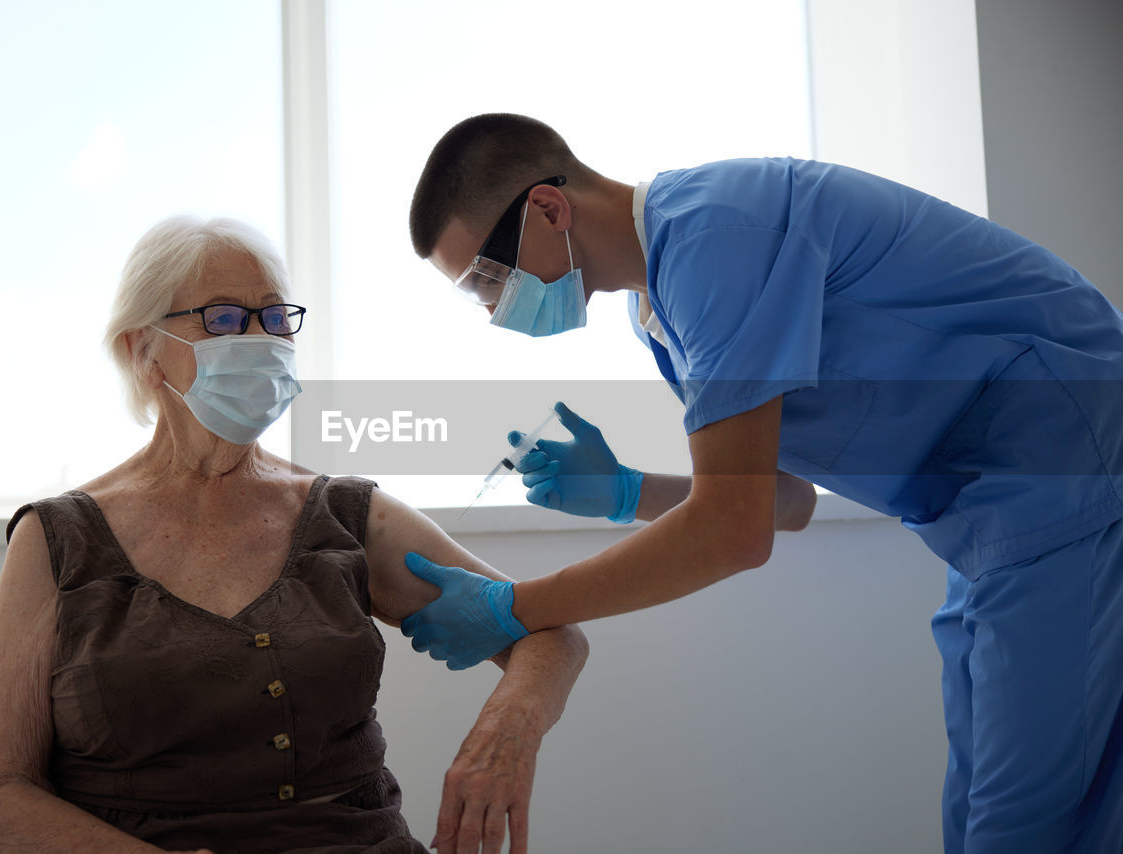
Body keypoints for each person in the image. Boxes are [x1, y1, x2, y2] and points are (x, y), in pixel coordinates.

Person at [401, 113, 1123, 853]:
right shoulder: (660, 315)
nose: (492, 310)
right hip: (989, 524)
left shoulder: (716, 236)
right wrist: (627, 491)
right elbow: (786, 504)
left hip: (1069, 474)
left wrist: (513, 607)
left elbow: (733, 531)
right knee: (978, 814)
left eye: (485, 279)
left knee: (1020, 825)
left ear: (549, 210)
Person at [0, 215, 588, 854]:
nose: (259, 339)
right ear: (140, 351)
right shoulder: (57, 539)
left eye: (274, 319)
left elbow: (549, 634)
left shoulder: (346, 515)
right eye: (224, 319)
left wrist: (504, 734)